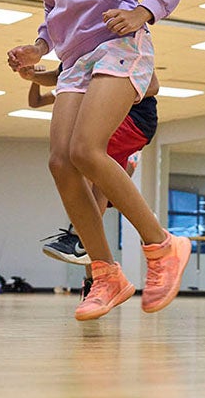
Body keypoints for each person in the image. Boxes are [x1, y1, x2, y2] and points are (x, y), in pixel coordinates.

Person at [7, 0, 189, 322]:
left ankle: (162, 246)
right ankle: (106, 275)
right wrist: (38, 46)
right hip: (74, 59)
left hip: (119, 44)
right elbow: (54, 8)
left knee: (88, 150)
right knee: (61, 162)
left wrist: (143, 12)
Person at [26, 64, 160, 285]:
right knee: (93, 187)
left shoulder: (116, 50)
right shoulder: (75, 64)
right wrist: (33, 76)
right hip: (112, 125)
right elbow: (43, 93)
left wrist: (119, 95)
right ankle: (97, 280)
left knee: (80, 157)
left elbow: (152, 85)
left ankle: (81, 239)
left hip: (133, 121)